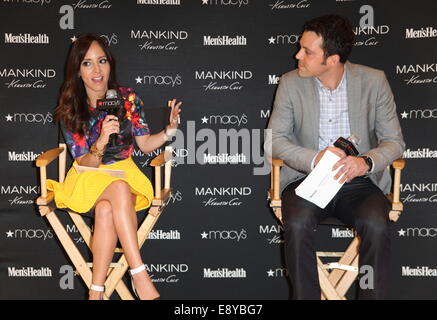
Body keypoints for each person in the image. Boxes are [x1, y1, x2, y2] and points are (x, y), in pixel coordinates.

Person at [265, 15, 405, 299]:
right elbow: (274, 142)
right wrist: (315, 159)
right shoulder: (290, 83)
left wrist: (364, 162)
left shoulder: (374, 81)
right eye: (300, 48)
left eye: (307, 51)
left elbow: (394, 142)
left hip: (359, 183)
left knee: (377, 226)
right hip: (307, 180)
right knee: (297, 224)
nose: (297, 55)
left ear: (332, 59)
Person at [47, 34, 182, 300]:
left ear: (111, 64)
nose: (97, 70)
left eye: (102, 61)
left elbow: (144, 145)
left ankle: (95, 293)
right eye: (87, 64)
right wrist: (100, 139)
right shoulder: (71, 107)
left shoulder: (128, 98)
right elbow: (85, 161)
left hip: (125, 171)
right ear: (77, 70)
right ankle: (140, 274)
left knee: (108, 209)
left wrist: (169, 131)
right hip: (89, 175)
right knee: (117, 189)